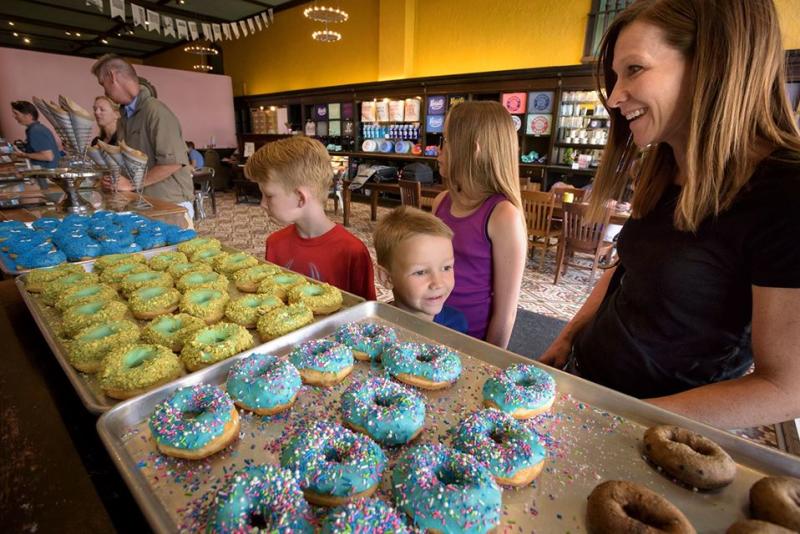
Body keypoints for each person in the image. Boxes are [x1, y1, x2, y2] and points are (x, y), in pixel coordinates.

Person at [539, 0, 800, 429]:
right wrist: (570, 336)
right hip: (591, 387)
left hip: (654, 428)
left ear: (712, 63)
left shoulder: (784, 190)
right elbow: (629, 268)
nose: (615, 97)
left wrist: (628, 421)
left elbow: (785, 386)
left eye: (634, 70)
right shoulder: (664, 164)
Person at [432, 101, 527, 348]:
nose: (437, 150)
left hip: (469, 343)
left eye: (444, 141)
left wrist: (489, 362)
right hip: (431, 328)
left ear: (472, 149)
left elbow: (505, 313)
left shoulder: (503, 215)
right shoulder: (441, 201)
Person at [244, 135, 377, 301]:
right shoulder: (275, 244)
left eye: (269, 196)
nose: (262, 204)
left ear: (301, 197)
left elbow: (367, 315)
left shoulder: (352, 252)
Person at [91, 54, 194, 218]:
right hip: (144, 201)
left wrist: (131, 183)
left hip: (170, 204)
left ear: (113, 77)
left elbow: (173, 163)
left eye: (103, 84)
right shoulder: (126, 116)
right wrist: (117, 180)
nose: (105, 91)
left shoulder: (155, 111)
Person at [374, 206, 468, 334]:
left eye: (446, 268)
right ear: (387, 278)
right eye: (420, 272)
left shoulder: (456, 325)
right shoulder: (375, 325)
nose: (438, 283)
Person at [10, 100, 60, 171]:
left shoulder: (36, 131)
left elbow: (48, 156)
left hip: (46, 173)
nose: (14, 116)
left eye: (16, 113)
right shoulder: (36, 128)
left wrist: (24, 155)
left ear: (29, 116)